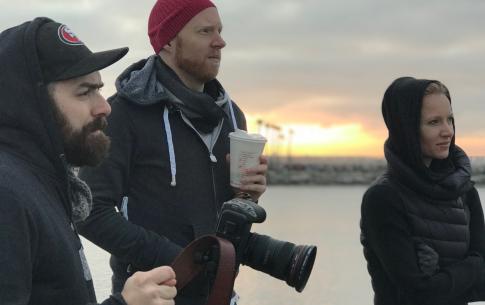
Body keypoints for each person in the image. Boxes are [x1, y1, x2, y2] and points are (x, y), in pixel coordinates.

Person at [76, 0, 268, 304]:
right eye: (205, 31)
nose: (221, 41)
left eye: (219, 30)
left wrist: (247, 197)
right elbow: (88, 212)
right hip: (152, 296)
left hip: (218, 295)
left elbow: (226, 217)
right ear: (167, 42)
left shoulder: (232, 117)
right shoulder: (122, 115)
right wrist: (178, 260)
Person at [0, 17, 177, 305]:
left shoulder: (42, 184)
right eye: (85, 92)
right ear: (32, 103)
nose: (104, 105)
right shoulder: (7, 196)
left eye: (99, 88)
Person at [360, 76, 485, 305]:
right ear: (406, 128)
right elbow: (417, 293)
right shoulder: (383, 198)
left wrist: (442, 275)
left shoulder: (464, 191)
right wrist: (474, 267)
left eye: (450, 120)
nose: (448, 131)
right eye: (434, 122)